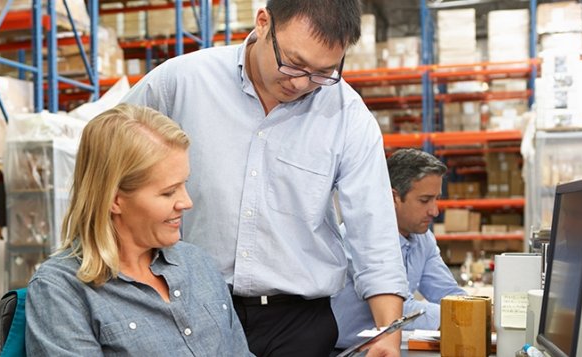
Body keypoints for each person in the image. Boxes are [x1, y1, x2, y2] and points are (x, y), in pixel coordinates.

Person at [122, 1, 408, 355]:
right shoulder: (181, 82)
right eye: (294, 63)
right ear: (263, 23)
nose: (303, 83)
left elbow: (374, 232)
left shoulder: (348, 116)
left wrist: (387, 332)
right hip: (187, 308)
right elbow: (105, 157)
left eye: (324, 72)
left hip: (297, 325)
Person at [25, 104, 252, 356]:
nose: (187, 202)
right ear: (114, 199)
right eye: (168, 192)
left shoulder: (199, 264)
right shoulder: (61, 290)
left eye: (184, 184)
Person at [331, 148, 468, 349]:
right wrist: (461, 316)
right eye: (425, 200)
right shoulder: (359, 237)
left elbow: (447, 293)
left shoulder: (423, 239)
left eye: (436, 198)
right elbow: (401, 308)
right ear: (393, 198)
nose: (435, 211)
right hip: (349, 351)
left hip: (391, 346)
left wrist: (476, 310)